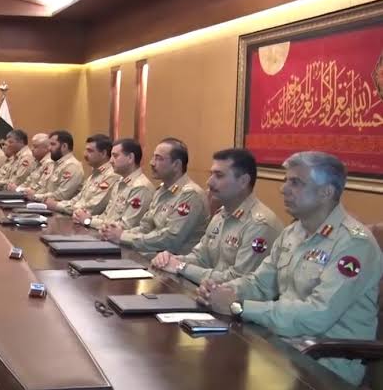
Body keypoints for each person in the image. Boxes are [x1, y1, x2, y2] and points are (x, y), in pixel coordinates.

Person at [198, 151, 381, 386]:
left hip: (326, 363)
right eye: (286, 181)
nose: (283, 189)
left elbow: (317, 315)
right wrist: (220, 290)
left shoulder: (354, 243)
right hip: (281, 346)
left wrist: (238, 306)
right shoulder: (292, 232)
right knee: (211, 367)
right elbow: (259, 283)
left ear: (326, 192)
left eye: (295, 182)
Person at [151, 148, 283, 284]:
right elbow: (201, 258)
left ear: (243, 181)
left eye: (219, 176)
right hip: (208, 291)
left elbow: (238, 280)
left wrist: (181, 267)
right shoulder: (221, 215)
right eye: (211, 174)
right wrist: (170, 259)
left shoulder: (259, 225)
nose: (209, 182)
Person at [102, 137, 208, 254]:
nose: (151, 163)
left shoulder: (190, 195)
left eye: (159, 158)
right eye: (153, 157)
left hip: (173, 261)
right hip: (149, 255)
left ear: (176, 164)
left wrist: (123, 236)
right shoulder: (161, 191)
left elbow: (169, 239)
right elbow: (145, 227)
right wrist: (116, 233)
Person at [89, 138, 154, 230]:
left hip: (119, 238)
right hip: (106, 233)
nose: (111, 161)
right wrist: (88, 218)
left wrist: (88, 221)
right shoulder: (120, 182)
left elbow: (126, 226)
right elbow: (106, 216)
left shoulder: (140, 187)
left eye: (115, 156)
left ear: (130, 158)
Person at [49, 134, 119, 217]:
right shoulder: (94, 174)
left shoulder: (111, 175)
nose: (85, 154)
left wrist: (58, 206)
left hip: (88, 221)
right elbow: (78, 199)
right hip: (77, 217)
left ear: (103, 153)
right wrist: (57, 204)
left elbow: (93, 208)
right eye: (86, 150)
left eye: (90, 151)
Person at [30, 130, 84, 202]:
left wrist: (35, 196)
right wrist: (30, 193)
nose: (49, 148)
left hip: (58, 207)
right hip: (43, 204)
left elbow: (62, 195)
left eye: (53, 144)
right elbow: (42, 187)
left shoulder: (72, 166)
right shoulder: (52, 163)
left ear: (64, 146)